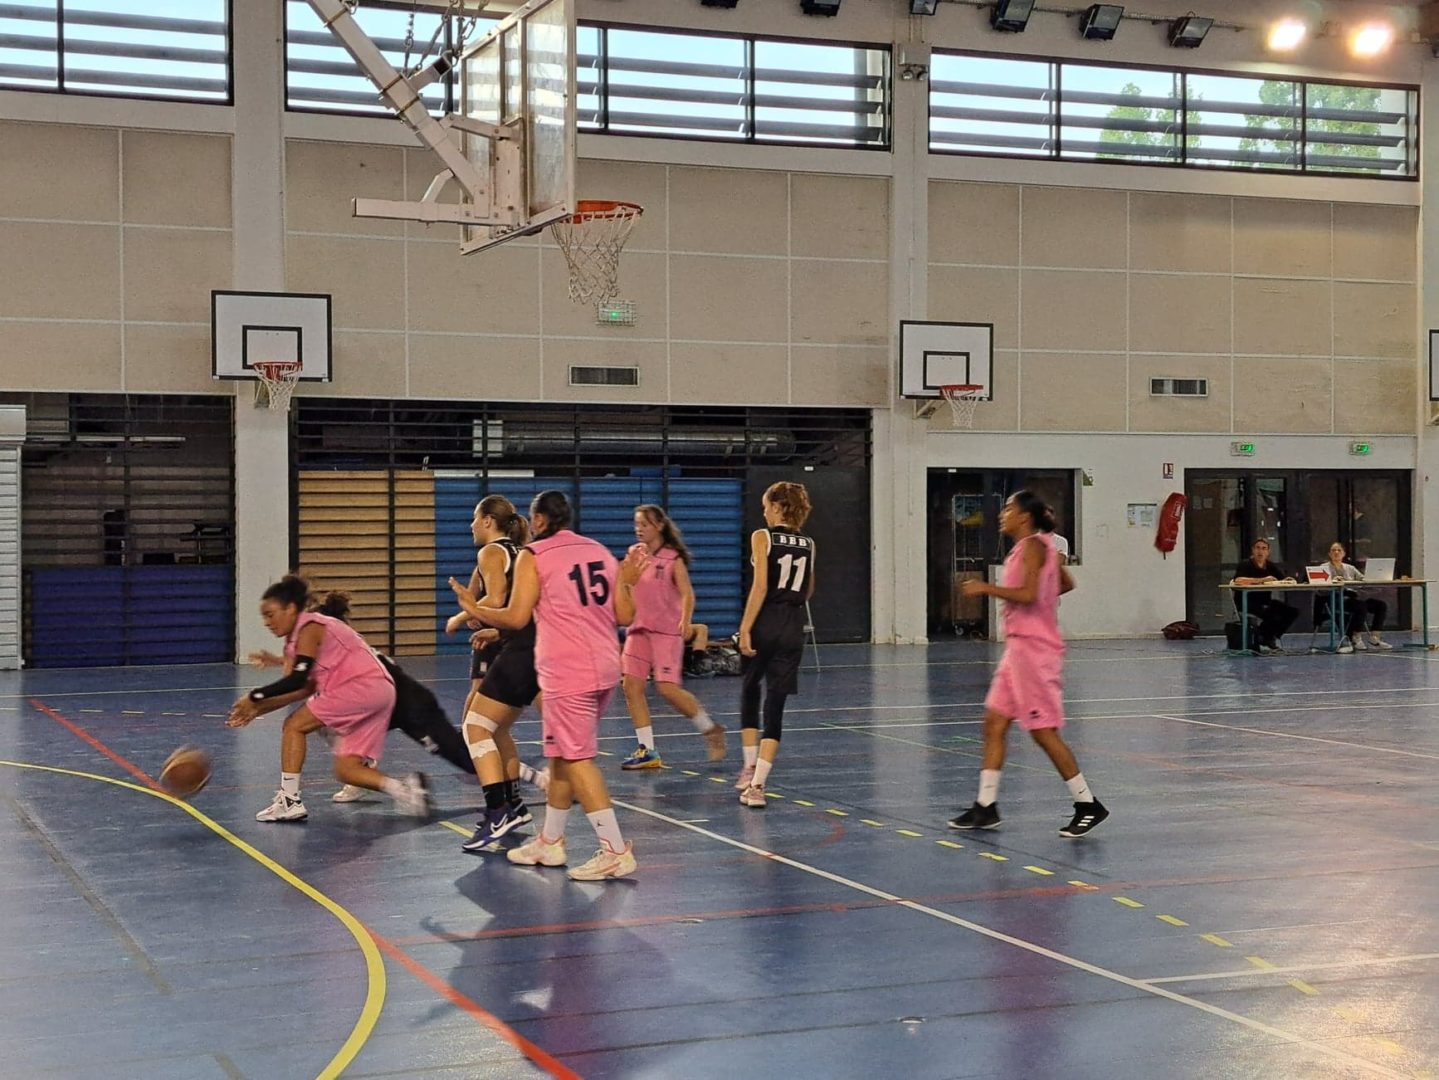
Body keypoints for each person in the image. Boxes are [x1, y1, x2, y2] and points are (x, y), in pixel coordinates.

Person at [452, 490, 645, 881]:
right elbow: (625, 614)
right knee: (559, 753)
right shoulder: (597, 550)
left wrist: (471, 608)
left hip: (568, 670)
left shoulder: (535, 555)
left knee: (576, 759)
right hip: (605, 666)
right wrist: (627, 582)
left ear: (538, 520)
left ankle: (614, 850)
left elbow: (516, 616)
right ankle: (550, 841)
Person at [949, 490, 1108, 839]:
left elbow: (1029, 594)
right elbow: (1064, 582)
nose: (1002, 514)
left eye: (1008, 508)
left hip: (1035, 652)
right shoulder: (1031, 548)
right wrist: (1044, 595)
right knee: (994, 722)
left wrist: (985, 588)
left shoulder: (1034, 546)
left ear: (1024, 517)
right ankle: (986, 806)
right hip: (1017, 649)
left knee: (1042, 730)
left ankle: (1087, 804)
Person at [227, 575, 432, 822]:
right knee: (346, 770)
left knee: (294, 725)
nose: (266, 623)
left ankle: (289, 801)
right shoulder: (297, 641)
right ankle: (406, 790)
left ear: (290, 609)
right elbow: (304, 690)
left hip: (360, 687)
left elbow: (297, 681)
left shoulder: (309, 627)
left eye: (270, 615)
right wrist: (257, 709)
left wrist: (255, 696)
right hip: (379, 692)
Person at [451, 495, 545, 852]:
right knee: (498, 728)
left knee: (474, 727)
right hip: (526, 642)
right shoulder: (522, 552)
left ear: (489, 520)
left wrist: (462, 614)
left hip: (520, 648)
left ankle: (498, 812)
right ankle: (515, 803)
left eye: (475, 518)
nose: (471, 525)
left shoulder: (492, 552)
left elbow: (496, 598)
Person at [619, 505, 726, 770]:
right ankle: (647, 750)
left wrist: (685, 620)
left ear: (659, 526)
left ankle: (710, 728)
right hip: (638, 629)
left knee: (667, 688)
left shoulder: (672, 558)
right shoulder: (634, 553)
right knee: (631, 686)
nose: (638, 529)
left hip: (665, 631)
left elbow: (687, 593)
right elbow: (625, 583)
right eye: (636, 524)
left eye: (644, 524)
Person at [735, 482, 816, 809]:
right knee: (776, 704)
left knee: (750, 688)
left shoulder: (762, 536)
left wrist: (745, 627)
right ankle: (758, 786)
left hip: (766, 618)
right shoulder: (809, 543)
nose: (764, 512)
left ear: (779, 507)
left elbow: (760, 586)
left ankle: (748, 765)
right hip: (793, 624)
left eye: (767, 506)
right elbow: (808, 590)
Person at [1315, 541, 1392, 653]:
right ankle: (1356, 637)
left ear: (1344, 554)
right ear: (1329, 554)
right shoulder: (1323, 568)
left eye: (1339, 550)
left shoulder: (1350, 568)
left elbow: (1364, 579)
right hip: (1336, 598)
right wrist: (1333, 582)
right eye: (1333, 550)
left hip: (1353, 597)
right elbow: (1320, 588)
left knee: (1381, 605)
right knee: (1360, 606)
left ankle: (1375, 637)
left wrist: (1377, 577)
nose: (1336, 552)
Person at [1230, 538, 1299, 654]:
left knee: (1292, 612)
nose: (1260, 551)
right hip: (1247, 602)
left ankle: (1265, 636)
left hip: (1265, 601)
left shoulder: (1270, 566)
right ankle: (1265, 638)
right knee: (1272, 614)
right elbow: (1238, 580)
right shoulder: (1245, 564)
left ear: (1268, 552)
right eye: (1257, 548)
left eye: (1264, 548)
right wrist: (1261, 580)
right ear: (1253, 550)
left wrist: (1289, 580)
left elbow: (1281, 579)